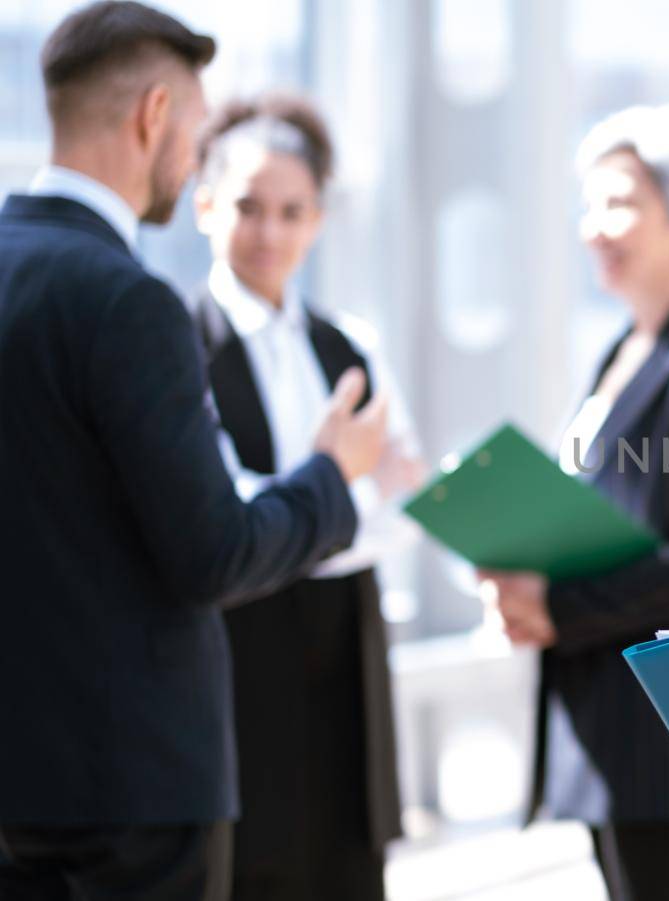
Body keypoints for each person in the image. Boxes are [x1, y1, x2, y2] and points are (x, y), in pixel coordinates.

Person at [0, 3, 389, 900]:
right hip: (128, 792)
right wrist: (333, 475)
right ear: (154, 116)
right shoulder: (129, 301)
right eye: (197, 129)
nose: (192, 155)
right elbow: (212, 550)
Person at [479, 104, 669, 901]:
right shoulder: (621, 350)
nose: (593, 227)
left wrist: (559, 604)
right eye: (590, 204)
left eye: (619, 204)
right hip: (605, 723)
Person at [189, 94, 423, 901]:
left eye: (293, 211)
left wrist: (299, 511)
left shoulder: (350, 344)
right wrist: (343, 485)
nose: (270, 234)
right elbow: (219, 511)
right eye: (249, 208)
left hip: (345, 663)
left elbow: (401, 506)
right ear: (204, 205)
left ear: (319, 219)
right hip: (239, 658)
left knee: (349, 870)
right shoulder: (180, 340)